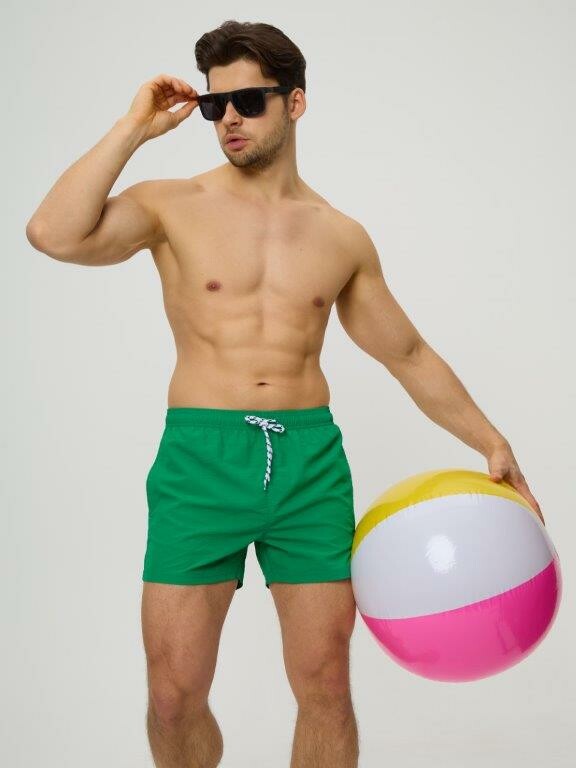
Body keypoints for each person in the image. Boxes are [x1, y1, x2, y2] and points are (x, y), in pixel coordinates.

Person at [25, 19, 544, 768]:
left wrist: (492, 442)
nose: (228, 119)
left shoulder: (339, 234)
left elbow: (405, 352)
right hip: (201, 458)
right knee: (173, 696)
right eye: (214, 106)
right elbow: (54, 232)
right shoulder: (170, 205)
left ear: (295, 102)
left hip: (308, 464)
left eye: (249, 101)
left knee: (326, 686)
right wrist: (134, 127)